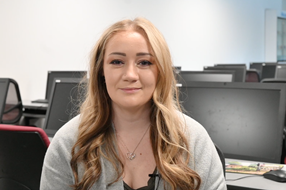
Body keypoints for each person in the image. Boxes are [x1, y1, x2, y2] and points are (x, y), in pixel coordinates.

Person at [40, 17, 226, 190]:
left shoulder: (194, 141)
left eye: (144, 62)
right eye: (117, 61)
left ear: (160, 71)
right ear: (101, 71)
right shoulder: (69, 143)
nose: (130, 75)